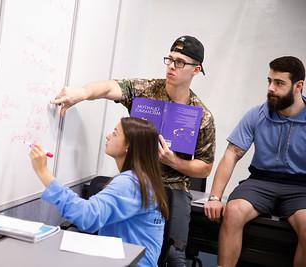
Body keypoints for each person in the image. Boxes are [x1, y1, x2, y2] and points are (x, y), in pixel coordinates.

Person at [51, 35, 216, 266]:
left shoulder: (202, 116)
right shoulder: (146, 89)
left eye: (179, 62)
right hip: (136, 179)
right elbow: (109, 87)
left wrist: (172, 161)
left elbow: (205, 167)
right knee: (107, 238)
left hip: (172, 185)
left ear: (196, 69)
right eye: (170, 59)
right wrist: (82, 93)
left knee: (174, 255)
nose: (171, 66)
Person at [204, 56, 306, 267]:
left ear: (298, 86)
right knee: (232, 211)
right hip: (261, 181)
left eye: (279, 83)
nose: (271, 88)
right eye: (269, 81)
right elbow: (232, 153)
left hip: (301, 187)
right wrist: (215, 197)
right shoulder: (257, 114)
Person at [30, 117, 169, 267]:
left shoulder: (131, 183)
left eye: (115, 134)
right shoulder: (142, 179)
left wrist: (43, 172)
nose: (108, 136)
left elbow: (87, 216)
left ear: (128, 145)